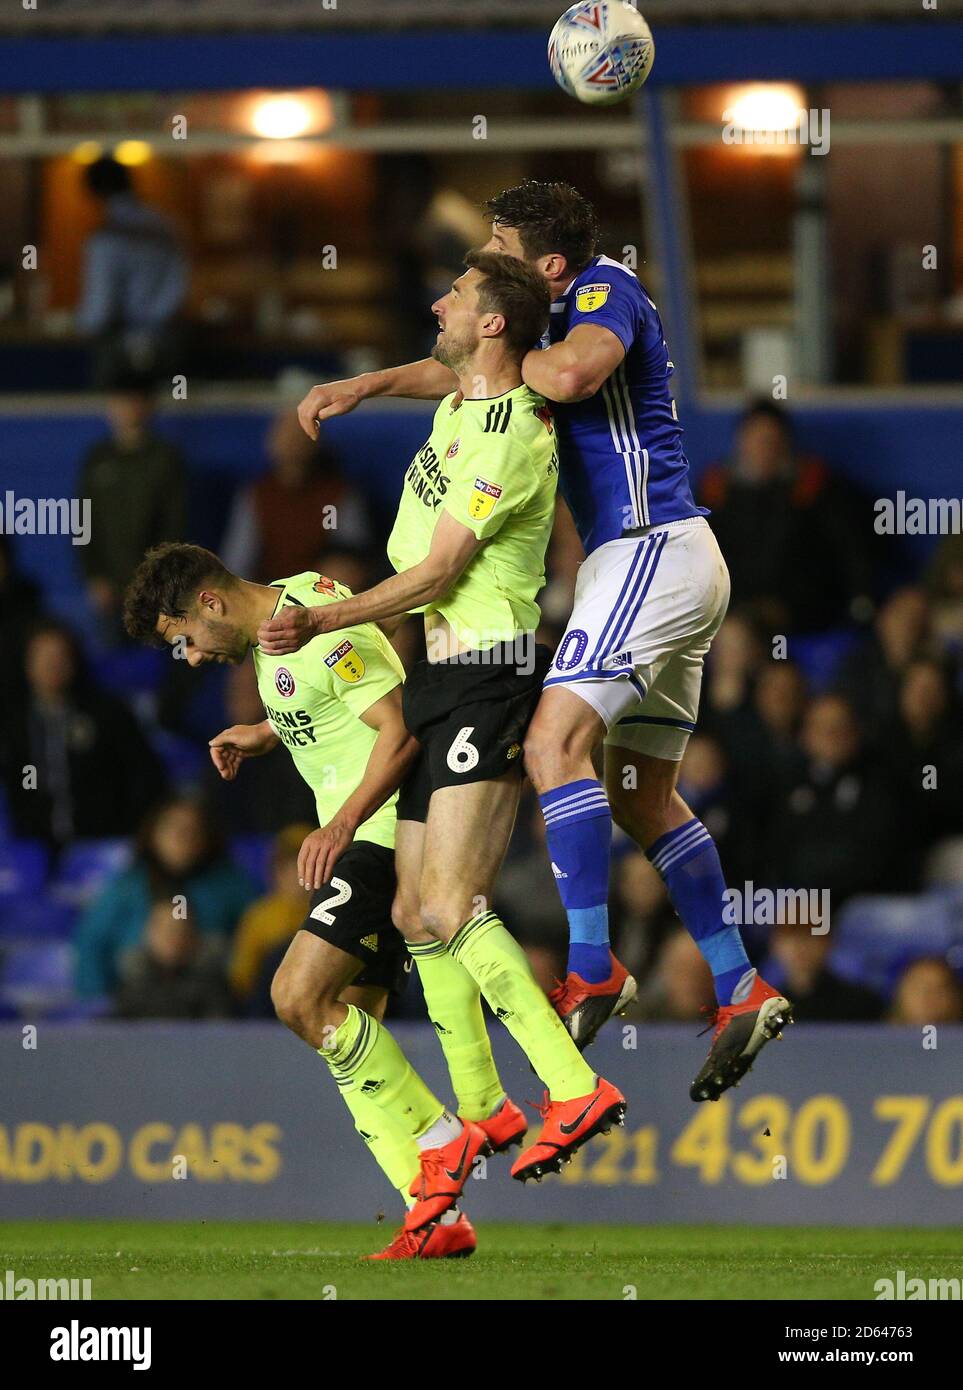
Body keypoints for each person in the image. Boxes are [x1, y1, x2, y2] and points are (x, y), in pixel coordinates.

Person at [292, 181, 789, 1103]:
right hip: (653, 562)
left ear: (549, 266)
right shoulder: (545, 314)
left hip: (649, 546)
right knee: (643, 797)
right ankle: (738, 983)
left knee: (553, 743)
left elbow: (562, 376)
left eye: (499, 244)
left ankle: (594, 965)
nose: (484, 257)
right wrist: (368, 383)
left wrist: (506, 347)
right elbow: (471, 370)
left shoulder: (605, 292)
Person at [259, 249, 626, 1186]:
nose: (438, 302)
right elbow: (438, 373)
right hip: (438, 678)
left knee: (452, 904)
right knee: (421, 918)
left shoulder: (514, 434)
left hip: (488, 674)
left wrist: (323, 618)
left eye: (455, 296)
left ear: (493, 324)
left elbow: (438, 575)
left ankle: (572, 1086)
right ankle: (483, 1104)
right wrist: (362, 383)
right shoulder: (465, 398)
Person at [123, 541, 528, 1259]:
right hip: (366, 836)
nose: (187, 657)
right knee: (347, 1032)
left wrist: (338, 824)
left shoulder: (312, 621)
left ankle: (445, 1139)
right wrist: (264, 732)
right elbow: (329, 703)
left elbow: (397, 725)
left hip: (376, 835)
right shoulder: (277, 629)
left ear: (211, 603)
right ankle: (432, 1215)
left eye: (182, 638)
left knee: (296, 998)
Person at [1, 619, 166, 847]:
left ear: (74, 660)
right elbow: (20, 784)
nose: (52, 664)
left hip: (107, 843)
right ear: (27, 663)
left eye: (60, 656)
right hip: (38, 849)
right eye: (43, 656)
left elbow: (145, 775)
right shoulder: (15, 726)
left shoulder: (109, 715)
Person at [74, 796, 255, 999]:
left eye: (191, 830)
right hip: (134, 999)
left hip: (212, 999)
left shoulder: (231, 886)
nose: (181, 838)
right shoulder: (125, 887)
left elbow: (254, 942)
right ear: (153, 834)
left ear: (207, 836)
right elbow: (91, 944)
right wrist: (98, 1005)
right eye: (172, 828)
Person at [77, 380, 186, 637]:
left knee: (155, 661)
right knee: (112, 663)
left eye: (136, 398)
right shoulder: (96, 458)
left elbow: (175, 525)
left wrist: (158, 582)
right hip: (109, 592)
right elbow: (82, 520)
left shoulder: (167, 460)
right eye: (122, 399)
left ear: (150, 404)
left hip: (155, 591)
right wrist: (94, 576)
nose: (129, 407)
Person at [220, 410, 370, 584]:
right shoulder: (257, 494)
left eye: (300, 437)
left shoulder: (336, 494)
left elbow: (350, 551)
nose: (292, 445)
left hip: (320, 593)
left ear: (315, 443)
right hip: (269, 593)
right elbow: (238, 560)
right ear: (271, 444)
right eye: (286, 437)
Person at [77, 156, 187, 389]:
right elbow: (180, 282)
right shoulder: (165, 225)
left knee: (123, 420)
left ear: (97, 192)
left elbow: (99, 311)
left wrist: (82, 325)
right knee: (163, 413)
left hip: (119, 349)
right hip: (164, 340)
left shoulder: (107, 239)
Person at [115, 901, 233, 1021]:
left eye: (181, 930)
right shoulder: (133, 983)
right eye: (165, 929)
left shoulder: (212, 986)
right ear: (148, 933)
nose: (173, 938)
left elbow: (219, 1030)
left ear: (194, 936)